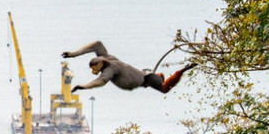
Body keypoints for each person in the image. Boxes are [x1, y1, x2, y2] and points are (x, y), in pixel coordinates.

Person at [61, 41, 196, 93]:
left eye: (93, 68)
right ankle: (159, 76)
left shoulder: (110, 69)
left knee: (164, 88)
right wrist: (73, 54)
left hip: (145, 78)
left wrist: (83, 87)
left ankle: (183, 69)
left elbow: (100, 82)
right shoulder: (105, 56)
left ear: (99, 63)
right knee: (157, 80)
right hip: (141, 74)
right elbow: (96, 44)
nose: (93, 71)